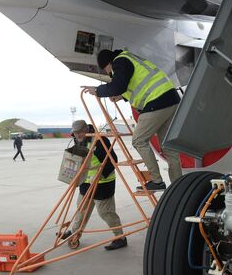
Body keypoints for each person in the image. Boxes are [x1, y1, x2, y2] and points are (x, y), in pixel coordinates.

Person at [83, 49, 182, 191]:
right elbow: (137, 83)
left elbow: (118, 85)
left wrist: (98, 91)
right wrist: (122, 97)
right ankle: (178, 186)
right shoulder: (130, 58)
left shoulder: (120, 61)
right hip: (171, 99)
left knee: (138, 141)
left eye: (106, 70)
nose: (109, 74)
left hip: (157, 101)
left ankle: (157, 181)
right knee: (168, 147)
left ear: (108, 63)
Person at [61, 120, 127, 250]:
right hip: (86, 182)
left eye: (80, 132)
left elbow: (112, 160)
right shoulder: (78, 141)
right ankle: (75, 233)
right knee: (81, 209)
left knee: (106, 213)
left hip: (102, 182)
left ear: (87, 129)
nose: (77, 135)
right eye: (75, 133)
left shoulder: (99, 140)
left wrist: (100, 175)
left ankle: (120, 237)